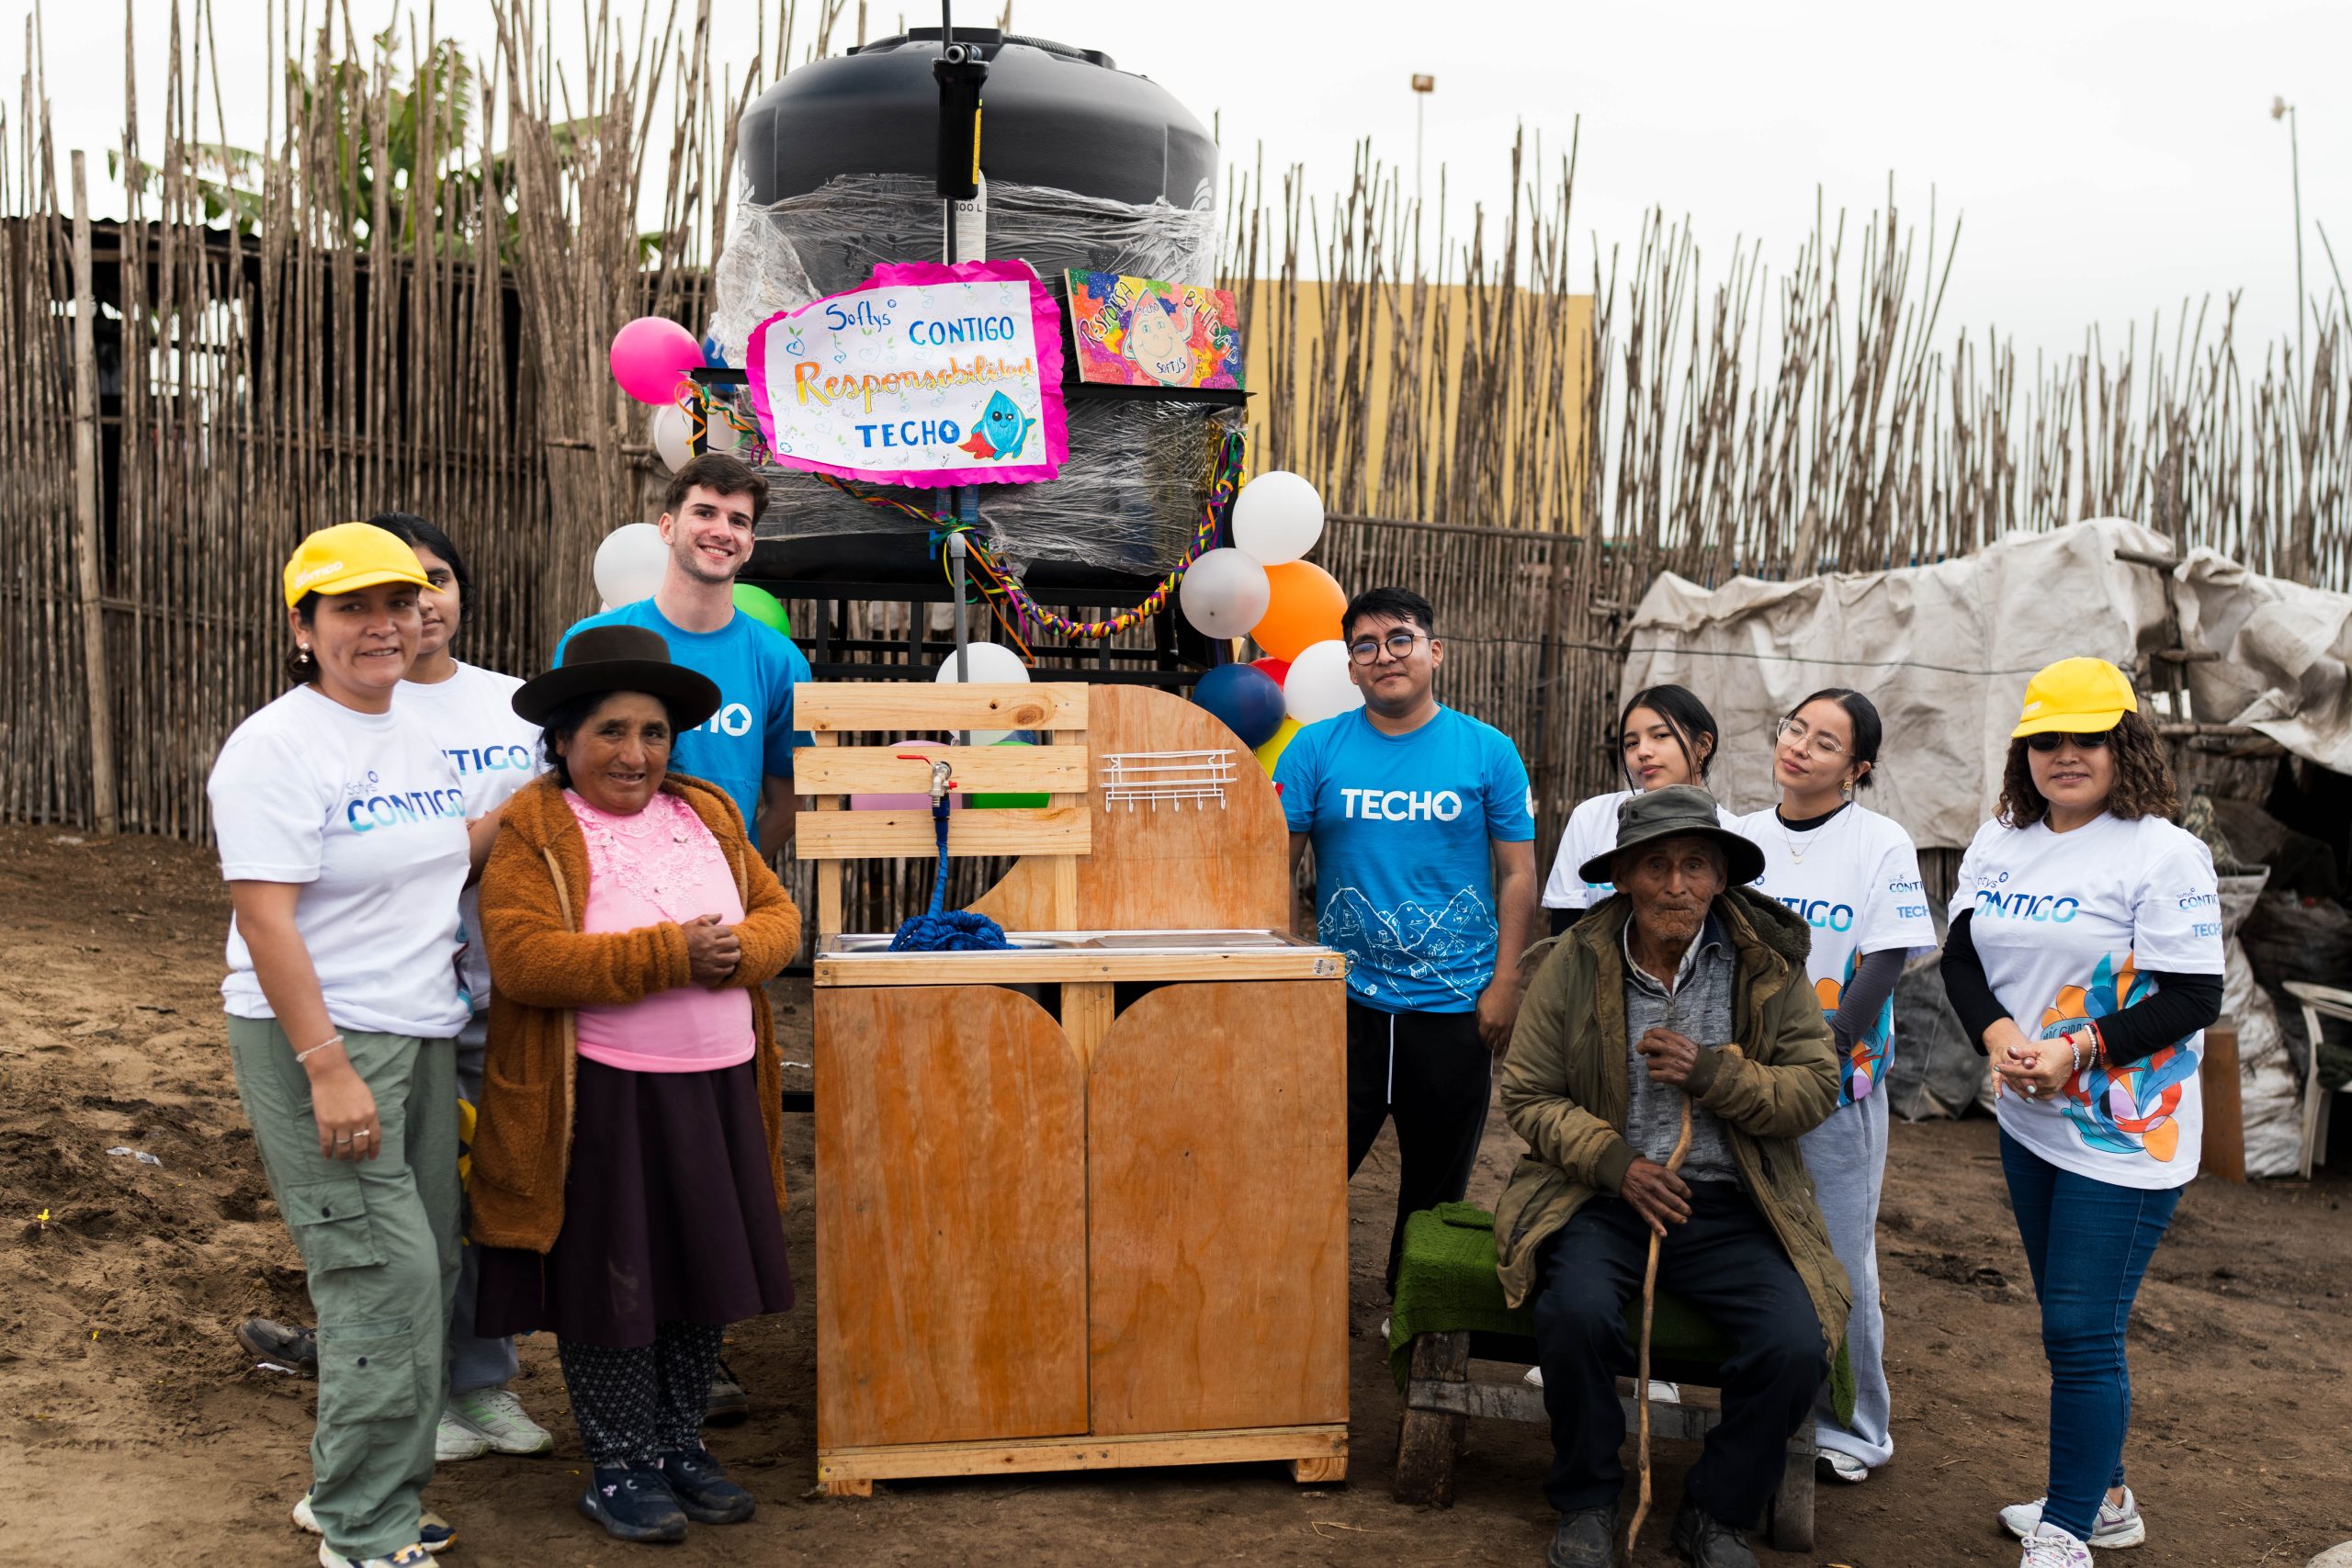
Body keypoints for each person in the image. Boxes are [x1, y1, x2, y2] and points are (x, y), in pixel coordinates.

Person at [469, 625, 802, 1545]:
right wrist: (671, 953)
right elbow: (525, 959)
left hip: (717, 1086)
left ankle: (677, 1442)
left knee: (701, 1272)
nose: (636, 753)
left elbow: (777, 914)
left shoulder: (706, 813)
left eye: (653, 733)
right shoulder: (538, 827)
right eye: (611, 731)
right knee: (614, 1284)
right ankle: (617, 1462)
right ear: (566, 739)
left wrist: (746, 949)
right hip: (607, 1098)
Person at [209, 523, 499, 1568]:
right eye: (351, 609)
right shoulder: (277, 747)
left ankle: (361, 1492)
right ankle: (364, 1533)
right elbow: (267, 919)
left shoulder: (410, 731)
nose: (384, 625)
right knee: (380, 1276)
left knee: (427, 1265)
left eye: (399, 601)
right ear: (303, 627)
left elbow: (427, 858)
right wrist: (325, 1068)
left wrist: (522, 811)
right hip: (324, 1042)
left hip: (418, 1029)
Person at [1495, 784, 1849, 1568]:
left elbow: (1813, 1088)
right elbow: (1527, 1092)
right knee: (1576, 1313)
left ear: (1722, 877)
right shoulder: (1574, 962)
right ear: (1622, 875)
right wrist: (1618, 1165)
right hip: (1599, 1194)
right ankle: (1588, 1500)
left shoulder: (1767, 963)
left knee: (1795, 1342)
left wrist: (1715, 1074)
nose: (1677, 885)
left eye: (1696, 865)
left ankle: (1715, 1510)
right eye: (1656, 865)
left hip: (1730, 1197)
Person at [1938, 658, 2222, 1568]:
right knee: (2073, 1320)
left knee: (2078, 1325)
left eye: (2086, 738)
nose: (2065, 755)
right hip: (2029, 1118)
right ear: (2024, 752)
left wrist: (2076, 1049)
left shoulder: (2161, 852)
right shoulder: (2002, 840)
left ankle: (2065, 1534)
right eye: (2045, 741)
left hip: (2124, 1134)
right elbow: (1958, 957)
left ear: (2123, 744)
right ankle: (2102, 1497)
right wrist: (1996, 1036)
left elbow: (2191, 996)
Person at [1273, 585, 1540, 1300]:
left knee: (1436, 1185)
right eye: (1366, 645)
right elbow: (1274, 864)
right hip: (1345, 1001)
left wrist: (1506, 980)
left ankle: (1411, 1313)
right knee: (1309, 1168)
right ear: (1352, 667)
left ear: (1434, 652)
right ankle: (1290, 1310)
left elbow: (1517, 872)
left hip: (1455, 1005)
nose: (1384, 655)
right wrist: (1289, 971)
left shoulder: (1488, 752)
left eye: (1401, 639)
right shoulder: (1315, 748)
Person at [1733, 689, 1936, 1485]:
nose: (1800, 747)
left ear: (1858, 768)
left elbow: (1884, 959)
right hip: (1734, 1082)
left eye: (1825, 742)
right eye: (1794, 728)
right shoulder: (1740, 835)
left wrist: (1823, 1056)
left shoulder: (1879, 841)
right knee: (1734, 1235)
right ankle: (1750, 1399)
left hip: (1833, 1092)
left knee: (1838, 1256)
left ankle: (1850, 1428)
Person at [556, 452, 809, 854]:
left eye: (738, 521)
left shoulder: (780, 661)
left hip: (717, 908)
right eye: (705, 512)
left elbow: (789, 803)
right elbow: (558, 782)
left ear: (750, 545)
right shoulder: (594, 640)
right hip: (605, 889)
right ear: (668, 527)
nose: (722, 531)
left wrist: (734, 880)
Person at [1544, 685, 1728, 934]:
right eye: (1631, 743)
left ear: (1703, 745)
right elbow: (1565, 929)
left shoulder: (1731, 833)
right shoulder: (1592, 816)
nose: (1642, 752)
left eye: (1661, 735)